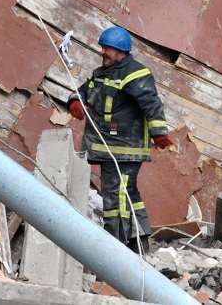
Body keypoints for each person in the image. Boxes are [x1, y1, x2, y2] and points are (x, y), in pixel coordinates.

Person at [67, 26, 173, 253]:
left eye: (107, 48)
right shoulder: (100, 73)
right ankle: (139, 242)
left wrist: (159, 133)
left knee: (115, 199)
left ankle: (114, 249)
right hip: (107, 149)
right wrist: (74, 101)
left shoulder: (135, 73)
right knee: (128, 194)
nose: (102, 52)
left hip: (125, 150)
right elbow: (84, 90)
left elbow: (151, 103)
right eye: (102, 47)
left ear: (120, 51)